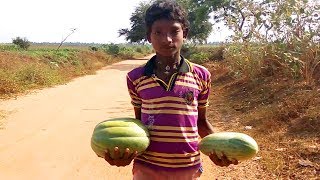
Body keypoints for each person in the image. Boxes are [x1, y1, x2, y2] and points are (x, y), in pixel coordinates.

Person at [104, 0, 238, 179]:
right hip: (147, 168)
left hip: (187, 167)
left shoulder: (202, 75)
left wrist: (221, 150)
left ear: (185, 33)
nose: (167, 39)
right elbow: (138, 127)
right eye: (158, 32)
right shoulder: (135, 78)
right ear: (148, 36)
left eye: (174, 31)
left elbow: (201, 122)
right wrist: (123, 154)